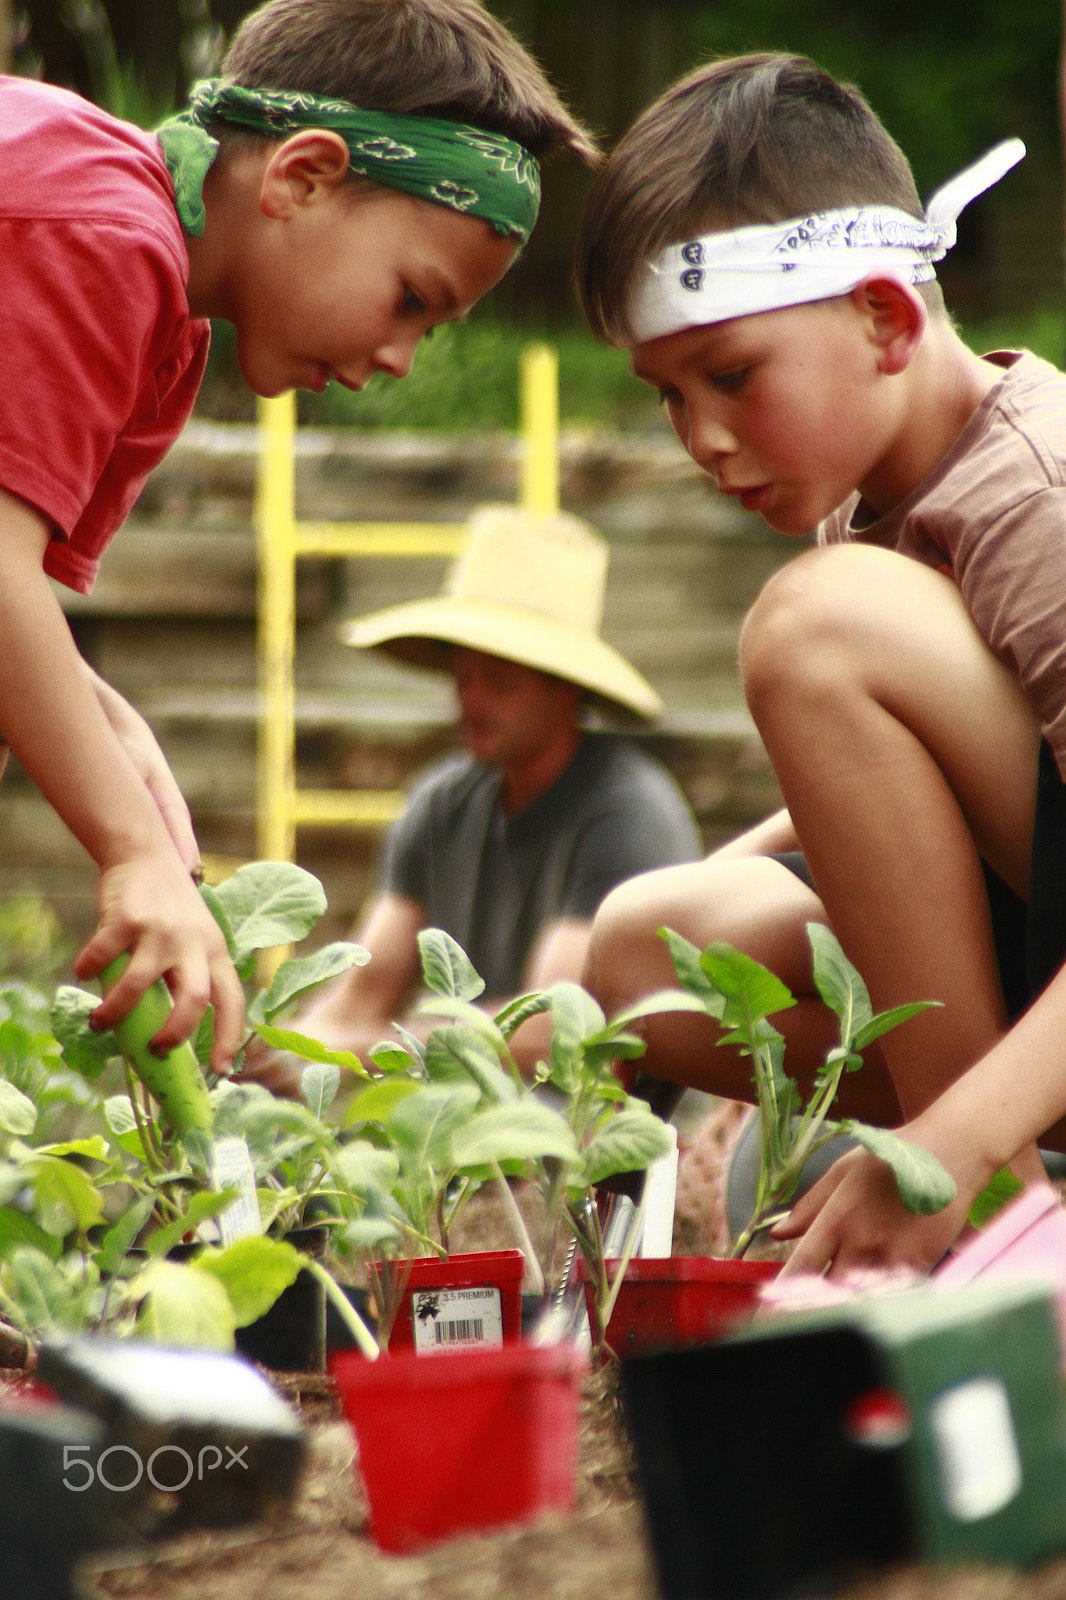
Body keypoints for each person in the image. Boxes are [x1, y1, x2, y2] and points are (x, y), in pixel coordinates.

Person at [0, 0, 594, 1070]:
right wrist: (127, 847)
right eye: (411, 299)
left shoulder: (161, 319)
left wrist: (129, 771)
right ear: (302, 177)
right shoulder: (105, 235)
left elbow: (16, 615)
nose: (402, 358)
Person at [572, 50, 1066, 1278]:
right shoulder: (872, 500)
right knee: (642, 954)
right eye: (669, 397)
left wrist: (943, 1145)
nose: (702, 438)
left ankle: (995, 1224)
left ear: (885, 319)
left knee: (811, 624)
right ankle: (996, 1178)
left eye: (730, 377)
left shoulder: (1033, 497)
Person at [250, 505, 701, 1088]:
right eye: (463, 677)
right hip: (470, 1133)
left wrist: (356, 1050)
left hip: (602, 1138)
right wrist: (280, 1059)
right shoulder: (441, 804)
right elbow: (361, 994)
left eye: (502, 682)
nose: (473, 700)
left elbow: (549, 1033)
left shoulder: (627, 812)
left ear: (566, 689)